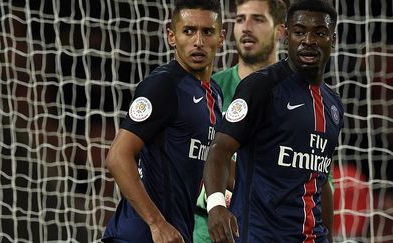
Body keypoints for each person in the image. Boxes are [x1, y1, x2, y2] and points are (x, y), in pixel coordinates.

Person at [203, 0, 342, 242]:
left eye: (319, 33)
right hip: (260, 235)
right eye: (300, 32)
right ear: (287, 36)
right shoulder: (261, 87)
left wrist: (329, 237)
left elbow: (321, 180)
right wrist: (215, 206)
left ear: (333, 39)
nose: (308, 40)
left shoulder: (333, 105)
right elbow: (219, 149)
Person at [102, 0, 225, 242]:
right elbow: (117, 157)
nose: (198, 42)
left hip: (177, 233)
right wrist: (157, 224)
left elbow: (214, 158)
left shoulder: (215, 94)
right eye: (188, 31)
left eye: (207, 32)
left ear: (221, 38)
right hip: (140, 235)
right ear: (171, 36)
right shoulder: (163, 85)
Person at [193, 0, 287, 242]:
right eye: (239, 19)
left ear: (280, 30)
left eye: (257, 19)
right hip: (207, 233)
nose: (246, 27)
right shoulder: (208, 90)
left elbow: (318, 177)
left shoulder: (300, 97)